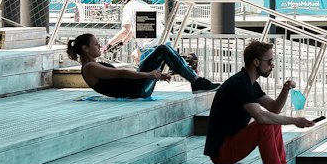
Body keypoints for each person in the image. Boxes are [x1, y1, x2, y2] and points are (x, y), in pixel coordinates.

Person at [204, 39, 322, 164]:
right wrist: (294, 121)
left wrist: (285, 90)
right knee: (264, 124)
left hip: (231, 144)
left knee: (273, 121)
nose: (272, 65)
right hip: (221, 152)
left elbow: (274, 108)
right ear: (256, 62)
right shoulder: (240, 84)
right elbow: (260, 116)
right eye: (270, 61)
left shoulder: (250, 83)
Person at [67, 32, 216, 97]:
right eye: (95, 44)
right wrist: (149, 74)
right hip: (137, 90)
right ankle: (196, 81)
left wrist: (154, 75)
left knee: (165, 50)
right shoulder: (90, 68)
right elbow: (120, 74)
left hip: (137, 89)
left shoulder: (93, 65)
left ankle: (195, 81)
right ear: (85, 49)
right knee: (163, 49)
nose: (99, 46)